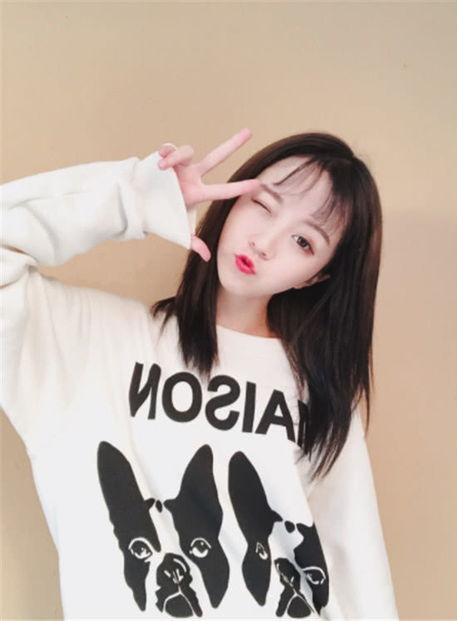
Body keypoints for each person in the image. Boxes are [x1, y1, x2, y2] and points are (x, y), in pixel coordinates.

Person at [0, 127, 399, 619]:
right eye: (263, 204)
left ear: (316, 275)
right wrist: (133, 200)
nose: (265, 242)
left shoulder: (317, 394)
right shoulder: (91, 342)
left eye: (303, 240)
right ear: (232, 199)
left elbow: (356, 570)